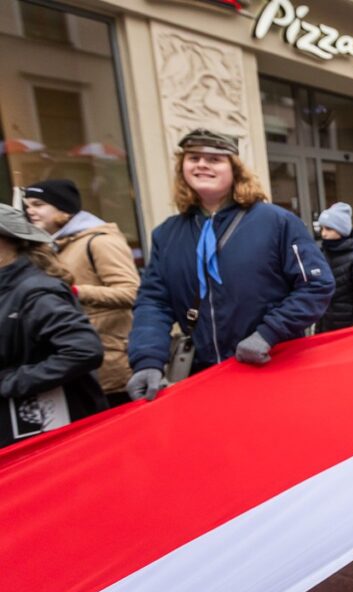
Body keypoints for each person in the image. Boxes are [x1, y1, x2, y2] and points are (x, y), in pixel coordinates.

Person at [127, 129, 333, 400]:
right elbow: (154, 302)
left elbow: (316, 285)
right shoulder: (167, 234)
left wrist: (268, 333)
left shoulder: (277, 222)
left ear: (234, 169)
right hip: (204, 377)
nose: (202, 164)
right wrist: (147, 359)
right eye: (194, 158)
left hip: (272, 367)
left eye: (214, 159)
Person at [23, 179, 139, 406]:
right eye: (28, 206)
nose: (31, 212)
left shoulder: (99, 241)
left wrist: (73, 291)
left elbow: (131, 292)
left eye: (38, 204)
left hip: (113, 364)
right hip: (83, 365)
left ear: (63, 208)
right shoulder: (54, 245)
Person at [1, 204, 106, 446]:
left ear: (8, 242)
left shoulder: (36, 292)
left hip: (45, 427)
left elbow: (83, 351)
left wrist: (10, 381)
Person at [317, 202, 353, 332]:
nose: (323, 234)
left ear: (341, 230)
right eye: (322, 229)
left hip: (346, 328)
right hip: (324, 324)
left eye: (328, 229)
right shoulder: (322, 253)